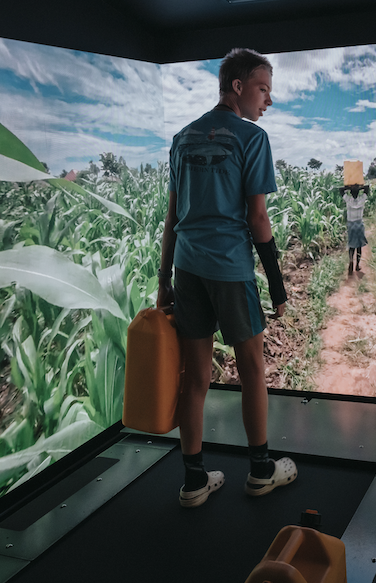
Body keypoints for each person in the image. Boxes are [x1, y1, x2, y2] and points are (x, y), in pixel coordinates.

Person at [157, 48, 297, 508]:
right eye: (263, 90)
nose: (268, 102)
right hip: (231, 270)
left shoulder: (182, 138)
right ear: (238, 87)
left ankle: (193, 481)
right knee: (253, 367)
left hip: (188, 270)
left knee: (195, 376)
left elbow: (173, 216)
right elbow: (258, 218)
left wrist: (164, 281)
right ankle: (260, 470)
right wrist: (276, 283)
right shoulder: (251, 138)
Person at [341, 184, 369, 274]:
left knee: (351, 245)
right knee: (359, 246)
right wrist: (359, 187)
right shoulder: (362, 199)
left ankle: (351, 261)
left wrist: (349, 187)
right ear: (359, 192)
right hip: (359, 224)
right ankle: (357, 265)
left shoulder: (348, 199)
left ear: (350, 193)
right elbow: (367, 188)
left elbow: (340, 190)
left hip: (351, 224)